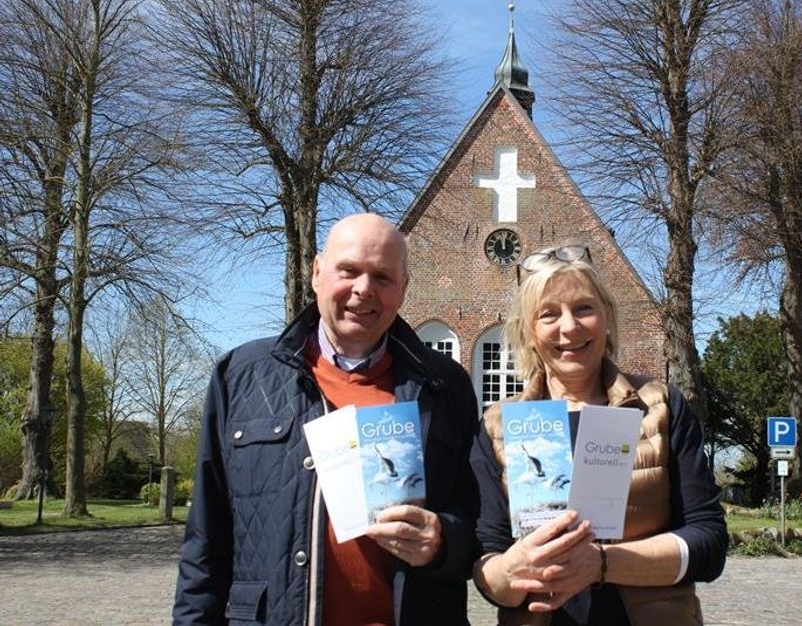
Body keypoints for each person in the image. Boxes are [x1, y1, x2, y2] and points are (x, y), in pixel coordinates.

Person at [174, 214, 480, 625]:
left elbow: (477, 521)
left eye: (383, 277)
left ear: (403, 289)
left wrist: (443, 542)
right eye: (349, 270)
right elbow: (205, 540)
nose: (363, 289)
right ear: (318, 273)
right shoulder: (241, 375)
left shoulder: (445, 385)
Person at [470, 244, 727, 625]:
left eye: (584, 308)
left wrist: (601, 565)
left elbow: (709, 545)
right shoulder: (499, 426)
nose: (569, 326)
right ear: (529, 332)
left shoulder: (660, 408)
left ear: (607, 317)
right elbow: (487, 559)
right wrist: (512, 571)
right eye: (548, 314)